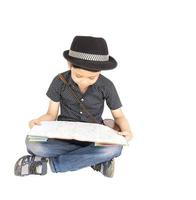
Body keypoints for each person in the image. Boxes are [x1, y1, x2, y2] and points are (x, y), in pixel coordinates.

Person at [14, 36, 133, 178]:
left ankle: (50, 165)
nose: (85, 81)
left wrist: (127, 131)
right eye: (78, 75)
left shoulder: (107, 86)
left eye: (91, 78)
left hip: (94, 138)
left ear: (100, 72)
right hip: (62, 137)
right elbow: (51, 114)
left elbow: (118, 116)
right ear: (69, 65)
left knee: (114, 148)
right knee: (33, 143)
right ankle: (95, 160)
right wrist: (38, 122)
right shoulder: (59, 81)